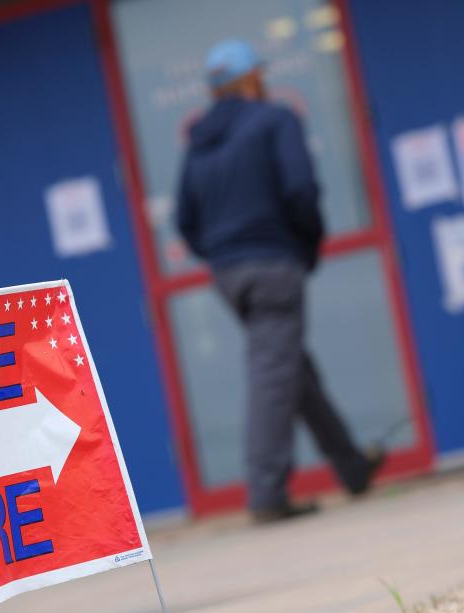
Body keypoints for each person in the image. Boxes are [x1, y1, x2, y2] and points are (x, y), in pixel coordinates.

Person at [175, 39, 385, 523]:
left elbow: (186, 220)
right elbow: (301, 190)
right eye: (261, 76)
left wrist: (222, 255)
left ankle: (352, 467)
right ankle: (267, 493)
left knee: (292, 368)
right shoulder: (275, 120)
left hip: (231, 275)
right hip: (273, 264)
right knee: (274, 375)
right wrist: (304, 247)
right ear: (251, 80)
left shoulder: (199, 143)